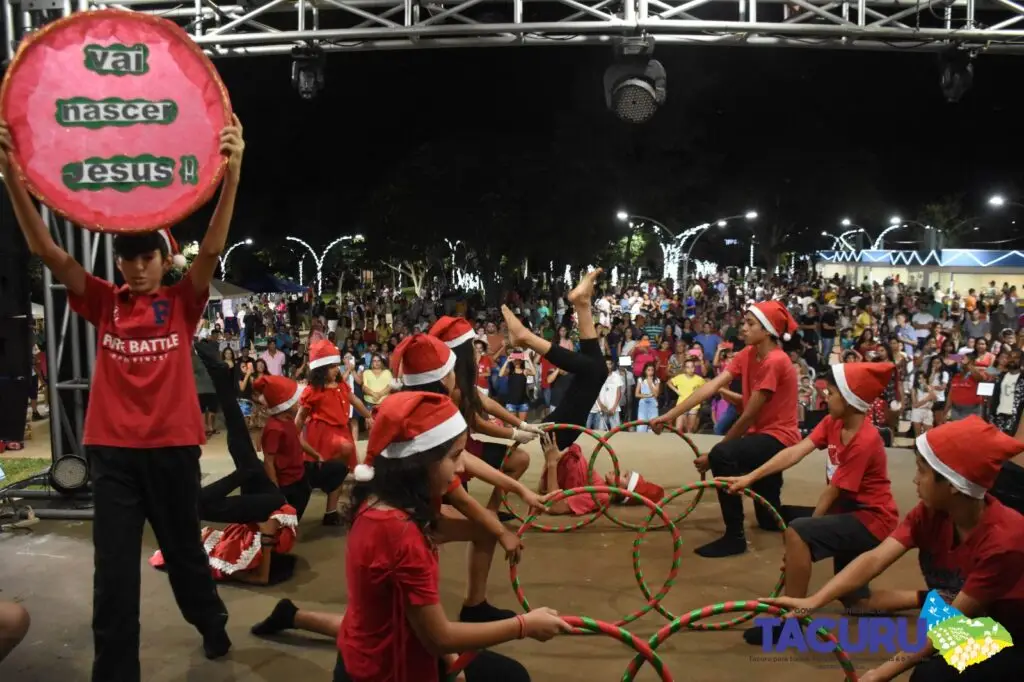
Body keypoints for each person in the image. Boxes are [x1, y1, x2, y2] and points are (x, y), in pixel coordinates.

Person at [0, 117, 244, 680]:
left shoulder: (184, 302)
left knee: (185, 558)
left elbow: (212, 247)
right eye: (127, 258)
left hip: (174, 451)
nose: (137, 267)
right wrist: (13, 176)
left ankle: (211, 620)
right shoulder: (104, 301)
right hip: (112, 456)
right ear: (118, 262)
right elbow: (47, 249)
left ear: (164, 260)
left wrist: (233, 174)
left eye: (147, 257)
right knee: (113, 577)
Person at [326, 392, 572, 681]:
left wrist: (452, 659)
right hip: (386, 671)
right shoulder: (400, 533)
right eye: (455, 457)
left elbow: (416, 616)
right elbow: (438, 637)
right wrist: (524, 625)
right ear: (419, 463)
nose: (462, 468)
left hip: (380, 649)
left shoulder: (382, 502)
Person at [767, 416, 1024, 682]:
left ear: (952, 485)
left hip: (1011, 635)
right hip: (973, 612)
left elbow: (951, 626)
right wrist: (813, 601)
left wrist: (879, 674)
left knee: (929, 676)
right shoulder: (931, 513)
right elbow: (876, 558)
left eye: (922, 471)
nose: (914, 480)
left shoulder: (1004, 542)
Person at [722, 363, 899, 646]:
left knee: (799, 530)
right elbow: (795, 451)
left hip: (871, 520)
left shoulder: (865, 440)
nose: (824, 398)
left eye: (830, 393)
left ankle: (790, 624)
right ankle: (925, 598)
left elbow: (832, 493)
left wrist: (800, 542)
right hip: (852, 515)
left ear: (851, 400)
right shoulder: (833, 423)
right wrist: (750, 477)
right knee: (857, 603)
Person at [384, 333, 543, 622]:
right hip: (403, 522)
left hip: (409, 510)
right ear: (444, 377)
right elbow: (459, 494)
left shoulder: (418, 406)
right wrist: (500, 532)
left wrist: (520, 489)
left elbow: (464, 459)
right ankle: (473, 606)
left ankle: (474, 605)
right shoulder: (433, 417)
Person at [651, 300, 801, 558]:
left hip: (778, 439)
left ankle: (734, 537)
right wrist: (670, 415)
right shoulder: (748, 354)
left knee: (724, 455)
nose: (743, 328)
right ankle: (828, 513)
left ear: (767, 331)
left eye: (750, 323)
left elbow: (747, 416)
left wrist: (714, 455)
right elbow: (709, 387)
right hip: (760, 436)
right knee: (768, 517)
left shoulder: (775, 361)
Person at [297, 339, 375, 525]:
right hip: (322, 435)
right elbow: (300, 417)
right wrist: (292, 435)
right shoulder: (312, 390)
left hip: (341, 430)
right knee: (343, 454)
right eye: (332, 366)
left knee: (339, 473)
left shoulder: (341, 386)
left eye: (336, 365)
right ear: (320, 369)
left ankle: (330, 512)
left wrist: (368, 416)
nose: (336, 369)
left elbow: (355, 400)